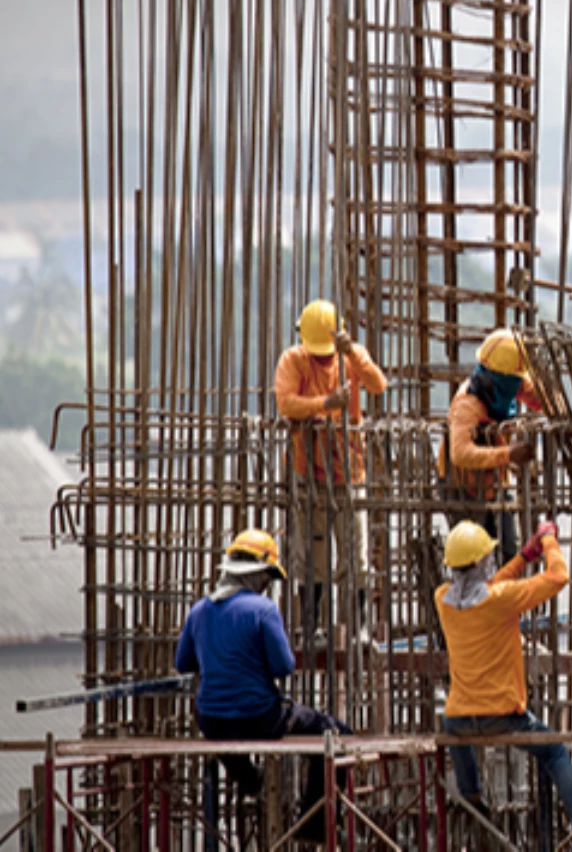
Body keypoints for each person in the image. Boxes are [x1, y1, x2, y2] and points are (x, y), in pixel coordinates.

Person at [434, 520, 572, 844]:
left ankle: (472, 797)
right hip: (502, 715)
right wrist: (550, 541)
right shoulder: (502, 600)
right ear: (483, 562)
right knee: (553, 749)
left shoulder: (442, 599)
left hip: (460, 719)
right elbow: (558, 577)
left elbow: (484, 589)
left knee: (449, 726)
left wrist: (524, 557)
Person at [175, 529, 353, 840]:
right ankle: (313, 826)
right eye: (267, 576)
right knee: (336, 735)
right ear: (257, 575)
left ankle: (250, 780)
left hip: (212, 721)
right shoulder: (263, 610)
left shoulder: (199, 611)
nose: (267, 584)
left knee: (227, 737)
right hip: (260, 717)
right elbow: (284, 666)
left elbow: (183, 664)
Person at [274, 299, 388, 647]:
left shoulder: (350, 358)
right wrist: (325, 404)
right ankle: (312, 629)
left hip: (348, 470)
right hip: (308, 471)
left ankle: (360, 628)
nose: (324, 359)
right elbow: (285, 402)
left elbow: (378, 384)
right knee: (312, 554)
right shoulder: (294, 360)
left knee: (355, 553)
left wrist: (352, 351)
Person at [438, 328, 544, 550]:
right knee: (475, 554)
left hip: (495, 482)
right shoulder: (468, 403)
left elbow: (545, 401)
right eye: (512, 381)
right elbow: (460, 453)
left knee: (507, 549)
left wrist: (552, 400)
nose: (517, 386)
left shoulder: (510, 383)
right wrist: (508, 454)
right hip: (462, 487)